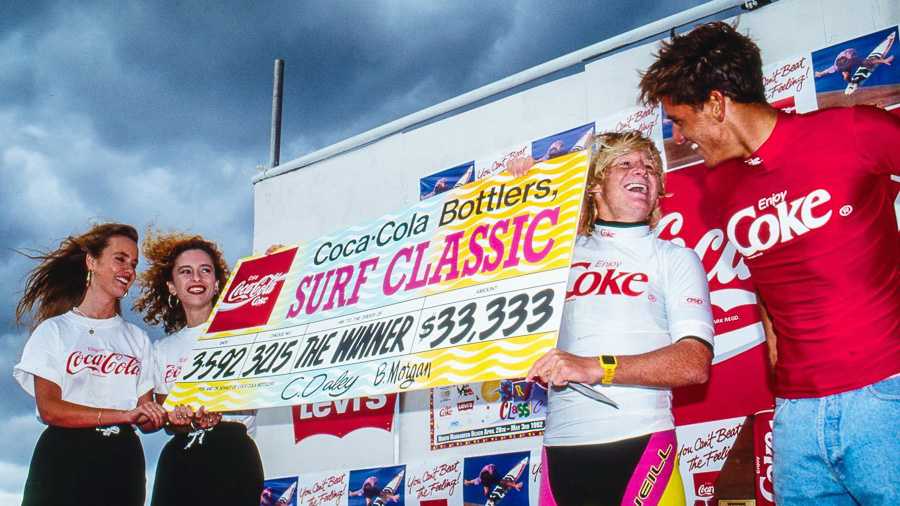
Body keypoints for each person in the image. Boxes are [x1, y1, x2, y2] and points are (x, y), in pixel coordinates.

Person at [639, 21, 900, 504]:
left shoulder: (855, 130)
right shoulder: (720, 187)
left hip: (885, 397)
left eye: (680, 119)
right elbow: (767, 286)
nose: (678, 136)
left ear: (717, 103)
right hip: (796, 414)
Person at [526, 131, 714, 506]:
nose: (641, 172)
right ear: (594, 185)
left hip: (642, 444)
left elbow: (694, 364)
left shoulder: (675, 258)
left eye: (650, 167)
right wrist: (517, 199)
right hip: (561, 450)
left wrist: (597, 367)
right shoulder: (553, 256)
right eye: (625, 163)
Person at [13, 223, 173, 506]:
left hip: (122, 461)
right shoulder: (55, 331)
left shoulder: (137, 339)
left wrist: (159, 416)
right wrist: (123, 415)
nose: (129, 271)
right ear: (92, 261)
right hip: (63, 458)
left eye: (133, 264)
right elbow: (51, 409)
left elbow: (144, 415)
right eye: (120, 259)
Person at [133, 232, 264, 506]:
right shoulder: (161, 350)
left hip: (233, 455)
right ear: (171, 286)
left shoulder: (246, 332)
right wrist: (178, 418)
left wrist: (279, 264)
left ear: (216, 284)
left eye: (205, 270)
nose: (196, 279)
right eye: (185, 272)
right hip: (180, 459)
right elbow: (164, 417)